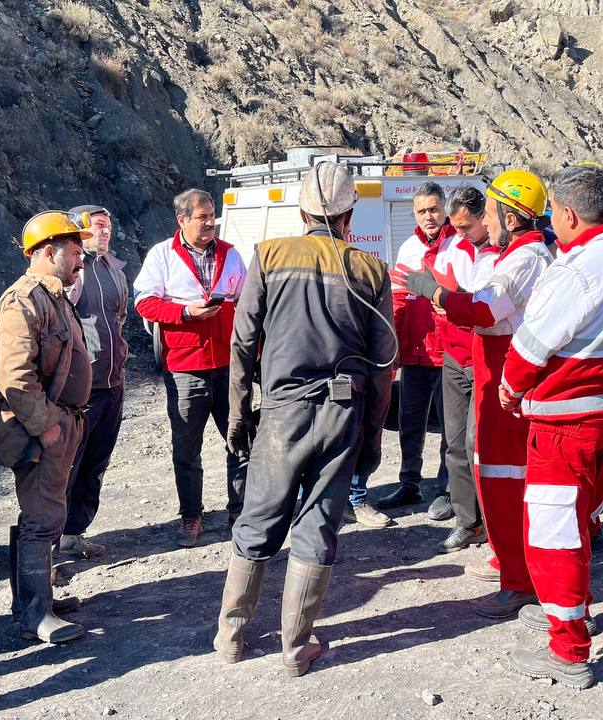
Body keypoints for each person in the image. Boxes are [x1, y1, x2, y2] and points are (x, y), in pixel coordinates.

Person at [213, 161, 394, 676]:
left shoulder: (269, 256)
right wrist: (373, 436)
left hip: (281, 411)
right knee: (317, 526)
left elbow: (243, 341)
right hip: (342, 413)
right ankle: (296, 649)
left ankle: (230, 638)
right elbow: (383, 366)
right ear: (348, 214)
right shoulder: (370, 269)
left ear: (302, 211)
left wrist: (236, 416)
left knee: (257, 521)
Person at [498, 165, 603, 689]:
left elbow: (527, 349)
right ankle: (574, 608)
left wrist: (510, 387)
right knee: (580, 516)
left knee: (552, 531)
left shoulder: (578, 272)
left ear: (567, 214)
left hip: (566, 419)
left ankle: (568, 649)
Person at [407, 171, 553, 619]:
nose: (484, 223)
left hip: (500, 366)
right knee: (497, 469)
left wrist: (435, 292)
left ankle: (518, 578)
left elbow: (483, 309)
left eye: (489, 214)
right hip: (492, 362)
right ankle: (510, 558)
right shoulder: (522, 253)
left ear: (510, 218)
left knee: (504, 474)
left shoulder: (520, 259)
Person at [0, 211, 93, 644]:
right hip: (42, 428)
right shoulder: (23, 301)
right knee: (41, 519)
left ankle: (35, 600)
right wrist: (47, 427)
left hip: (61, 422)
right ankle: (34, 614)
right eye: (75, 252)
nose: (81, 260)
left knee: (46, 515)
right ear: (48, 252)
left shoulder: (55, 296)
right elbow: (15, 377)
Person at [133, 189, 247, 547]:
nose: (210, 221)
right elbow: (145, 303)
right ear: (182, 220)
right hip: (185, 369)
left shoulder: (231, 254)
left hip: (230, 366)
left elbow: (247, 303)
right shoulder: (162, 255)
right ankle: (191, 516)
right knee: (186, 447)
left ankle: (240, 512)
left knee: (239, 442)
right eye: (202, 216)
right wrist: (185, 312)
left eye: (212, 214)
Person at [406, 186, 495, 554]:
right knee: (455, 443)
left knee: (480, 444)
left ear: (484, 218)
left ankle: (495, 519)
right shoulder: (452, 248)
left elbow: (480, 306)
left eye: (466, 225)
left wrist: (446, 298)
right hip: (454, 356)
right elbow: (437, 295)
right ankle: (467, 521)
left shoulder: (499, 254)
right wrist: (442, 298)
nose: (460, 232)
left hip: (486, 357)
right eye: (455, 226)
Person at [379, 181, 453, 516]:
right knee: (411, 425)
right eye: (422, 211)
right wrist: (394, 349)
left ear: (445, 207)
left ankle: (448, 491)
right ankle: (409, 485)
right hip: (415, 355)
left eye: (434, 209)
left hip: (448, 355)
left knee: (451, 429)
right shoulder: (408, 247)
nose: (429, 216)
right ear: (414, 213)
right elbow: (397, 303)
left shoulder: (459, 246)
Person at [61, 205, 129, 559]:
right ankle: (49, 538)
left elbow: (119, 318)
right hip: (81, 388)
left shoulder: (113, 269)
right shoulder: (73, 272)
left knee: (95, 463)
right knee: (69, 465)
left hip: (112, 383)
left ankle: (74, 532)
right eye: (99, 226)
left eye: (109, 225)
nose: (106, 232)